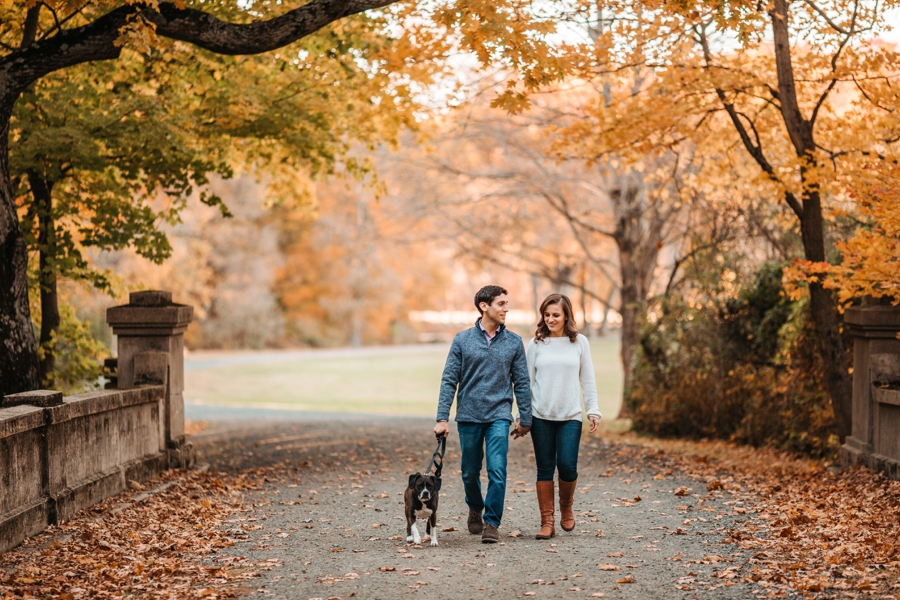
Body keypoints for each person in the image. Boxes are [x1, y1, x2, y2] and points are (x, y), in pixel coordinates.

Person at [434, 285, 532, 543]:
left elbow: (522, 382)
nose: (506, 309)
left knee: (497, 470)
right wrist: (442, 418)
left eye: (507, 303)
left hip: (499, 415)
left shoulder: (513, 342)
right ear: (484, 306)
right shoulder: (462, 340)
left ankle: (492, 523)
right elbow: (448, 380)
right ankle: (475, 507)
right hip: (468, 415)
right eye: (501, 304)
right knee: (469, 472)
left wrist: (526, 418)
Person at [526, 293, 601, 539]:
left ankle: (566, 507)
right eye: (546, 315)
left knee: (567, 466)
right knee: (544, 469)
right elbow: (527, 382)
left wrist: (593, 409)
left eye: (555, 315)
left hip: (570, 415)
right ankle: (547, 522)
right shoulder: (536, 344)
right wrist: (523, 415)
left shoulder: (580, 343)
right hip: (541, 415)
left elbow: (587, 378)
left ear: (566, 315)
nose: (550, 319)